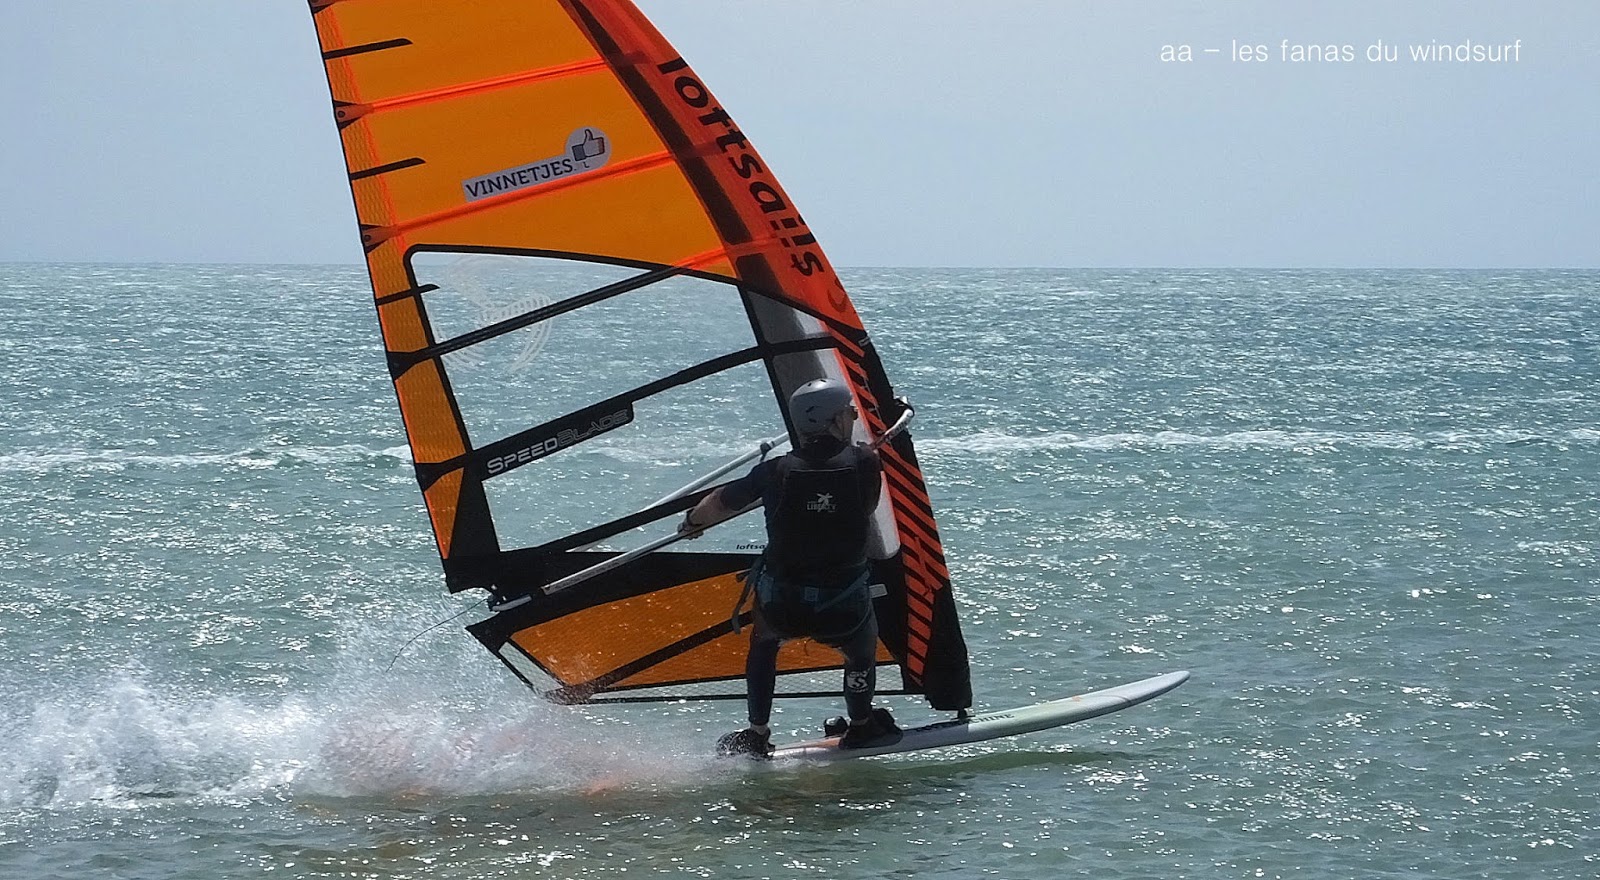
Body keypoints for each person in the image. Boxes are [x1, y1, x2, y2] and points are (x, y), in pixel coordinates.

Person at [679, 377, 901, 756]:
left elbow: (720, 502)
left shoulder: (774, 471)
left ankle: (757, 733)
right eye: (849, 413)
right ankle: (862, 724)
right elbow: (864, 508)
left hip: (784, 603)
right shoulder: (867, 462)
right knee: (861, 649)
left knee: (764, 642)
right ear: (834, 420)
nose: (852, 417)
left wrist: (692, 523)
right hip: (843, 605)